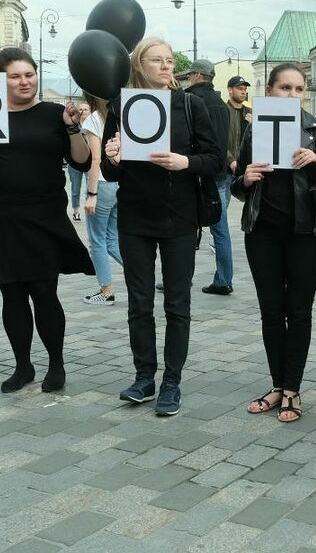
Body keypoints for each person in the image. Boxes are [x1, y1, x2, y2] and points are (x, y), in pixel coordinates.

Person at [0, 47, 94, 394]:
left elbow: (82, 163)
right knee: (11, 294)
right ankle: (22, 366)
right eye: (15, 76)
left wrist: (73, 129)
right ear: (1, 80)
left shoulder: (54, 114)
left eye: (29, 74)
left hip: (44, 215)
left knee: (44, 292)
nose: (24, 81)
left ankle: (56, 364)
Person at [101, 37, 221, 417]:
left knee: (177, 302)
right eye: (157, 61)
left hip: (180, 217)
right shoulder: (122, 105)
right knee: (139, 303)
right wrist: (111, 156)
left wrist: (185, 163)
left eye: (170, 61)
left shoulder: (190, 105)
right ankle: (144, 377)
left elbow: (216, 159)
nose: (166, 67)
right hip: (135, 216)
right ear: (140, 66)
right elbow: (108, 171)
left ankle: (172, 381)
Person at [232, 63, 316, 422]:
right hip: (263, 232)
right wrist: (245, 180)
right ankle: (277, 385)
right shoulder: (256, 130)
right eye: (285, 88)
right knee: (271, 311)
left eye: (299, 89)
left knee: (298, 311)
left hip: (307, 234)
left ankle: (293, 389)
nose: (293, 96)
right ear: (269, 92)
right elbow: (238, 186)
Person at [182, 59, 232, 296]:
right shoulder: (222, 104)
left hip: (195, 172)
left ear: (196, 75)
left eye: (190, 75)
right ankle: (224, 279)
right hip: (219, 174)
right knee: (220, 230)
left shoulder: (192, 101)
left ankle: (181, 277)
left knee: (187, 228)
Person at [81, 92, 122, 306]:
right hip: (118, 183)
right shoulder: (119, 115)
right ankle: (143, 273)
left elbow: (95, 159)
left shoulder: (93, 119)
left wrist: (91, 194)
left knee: (97, 240)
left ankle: (106, 291)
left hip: (103, 184)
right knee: (112, 238)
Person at [67, 102, 91, 222]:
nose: (82, 111)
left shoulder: (93, 125)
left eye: (85, 109)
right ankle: (76, 211)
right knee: (75, 188)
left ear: (90, 111)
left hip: (91, 161)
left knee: (90, 187)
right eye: (80, 109)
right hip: (75, 163)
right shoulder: (73, 124)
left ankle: (89, 210)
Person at [226, 75, 253, 171]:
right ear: (230, 90)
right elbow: (217, 140)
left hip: (247, 168)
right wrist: (230, 161)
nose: (243, 92)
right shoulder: (223, 111)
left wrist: (254, 126)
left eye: (245, 89)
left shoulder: (251, 112)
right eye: (240, 89)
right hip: (227, 169)